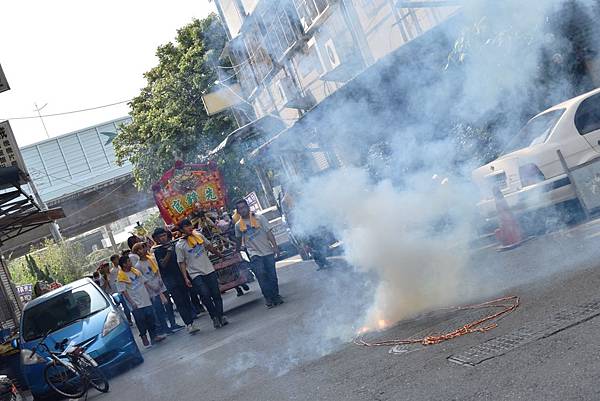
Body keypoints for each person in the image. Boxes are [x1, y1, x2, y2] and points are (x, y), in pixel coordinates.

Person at [176, 219, 228, 329]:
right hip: (195, 274)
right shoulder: (180, 245)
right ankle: (214, 317)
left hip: (209, 269)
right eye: (186, 226)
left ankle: (221, 315)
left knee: (216, 294)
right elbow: (182, 263)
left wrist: (220, 255)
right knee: (205, 295)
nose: (189, 227)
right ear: (181, 230)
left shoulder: (198, 235)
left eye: (189, 225)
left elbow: (209, 247)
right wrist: (186, 278)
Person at [234, 199, 283, 308]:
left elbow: (269, 233)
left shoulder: (259, 218)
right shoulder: (238, 226)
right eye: (240, 209)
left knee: (272, 276)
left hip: (267, 251)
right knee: (261, 275)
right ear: (238, 212)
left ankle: (276, 296)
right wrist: (237, 250)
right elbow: (238, 239)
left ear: (248, 207)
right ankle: (268, 298)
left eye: (244, 207)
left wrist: (275, 247)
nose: (242, 210)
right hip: (254, 253)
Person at [152, 227, 200, 334]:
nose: (163, 238)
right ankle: (188, 324)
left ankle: (191, 320)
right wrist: (169, 252)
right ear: (157, 239)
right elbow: (163, 264)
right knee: (179, 302)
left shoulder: (176, 245)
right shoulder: (158, 251)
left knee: (186, 299)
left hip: (181, 277)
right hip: (170, 281)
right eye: (160, 237)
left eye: (164, 235)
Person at [116, 255, 166, 347]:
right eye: (128, 261)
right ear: (124, 264)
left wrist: (152, 290)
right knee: (141, 320)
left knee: (150, 318)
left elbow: (145, 282)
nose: (130, 263)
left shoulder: (136, 272)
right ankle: (143, 336)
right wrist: (132, 302)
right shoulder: (121, 277)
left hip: (145, 298)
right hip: (136, 303)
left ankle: (154, 336)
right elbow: (124, 292)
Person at [132, 243, 181, 335]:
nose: (141, 251)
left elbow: (157, 270)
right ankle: (165, 328)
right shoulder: (138, 265)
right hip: (152, 289)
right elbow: (143, 280)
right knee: (159, 309)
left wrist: (160, 279)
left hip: (160, 284)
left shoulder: (152, 259)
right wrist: (152, 287)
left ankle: (173, 323)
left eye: (142, 248)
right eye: (138, 250)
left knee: (168, 304)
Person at [109, 254, 133, 325]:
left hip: (126, 288)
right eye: (117, 259)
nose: (118, 260)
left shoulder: (120, 267)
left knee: (128, 305)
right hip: (119, 290)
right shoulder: (113, 271)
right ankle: (128, 319)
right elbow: (113, 282)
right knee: (125, 306)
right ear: (113, 261)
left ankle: (130, 318)